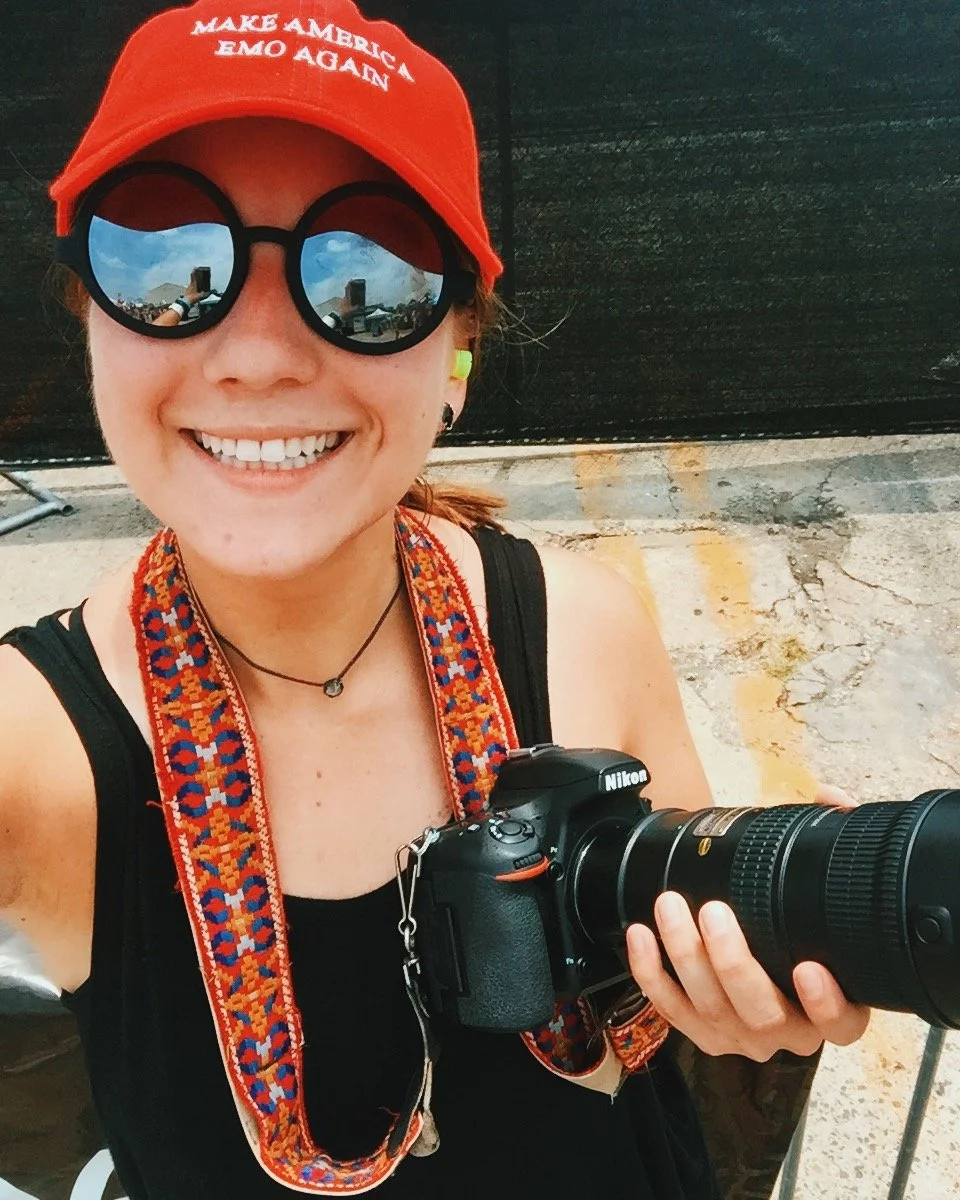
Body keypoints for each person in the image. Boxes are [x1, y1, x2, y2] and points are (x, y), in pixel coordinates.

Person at [0, 3, 869, 1197]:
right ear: (87, 323)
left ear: (459, 353)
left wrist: (743, 989)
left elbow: (675, 994)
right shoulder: (31, 741)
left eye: (365, 275)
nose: (259, 355)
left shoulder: (582, 632)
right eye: (163, 262)